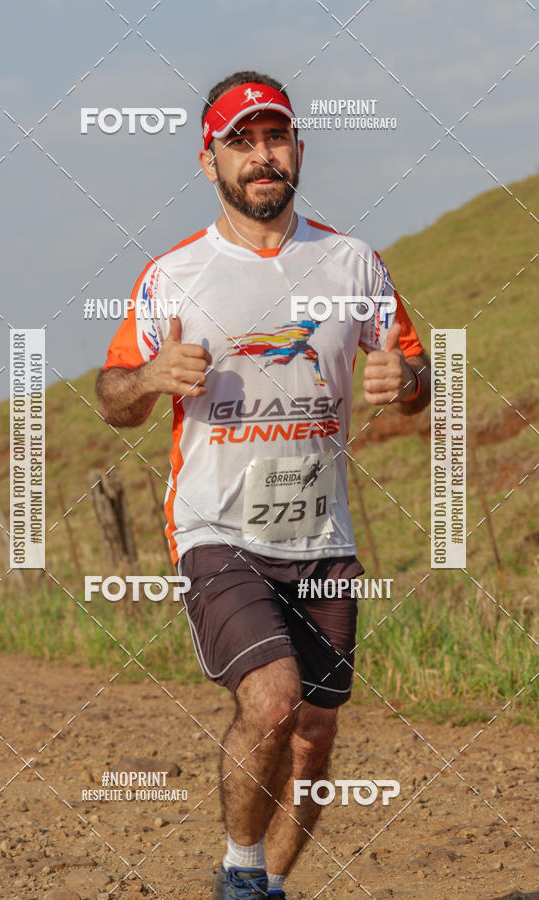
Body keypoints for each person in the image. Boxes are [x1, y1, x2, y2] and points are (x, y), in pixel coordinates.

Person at [96, 70, 431, 900]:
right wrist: (147, 383)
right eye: (240, 142)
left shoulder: (353, 262)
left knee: (315, 732)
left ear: (299, 150)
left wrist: (407, 381)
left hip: (322, 535)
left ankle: (269, 884)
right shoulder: (172, 275)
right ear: (208, 162)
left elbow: (419, 369)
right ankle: (241, 876)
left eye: (274, 137)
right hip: (217, 529)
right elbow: (111, 398)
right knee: (275, 699)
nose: (261, 156)